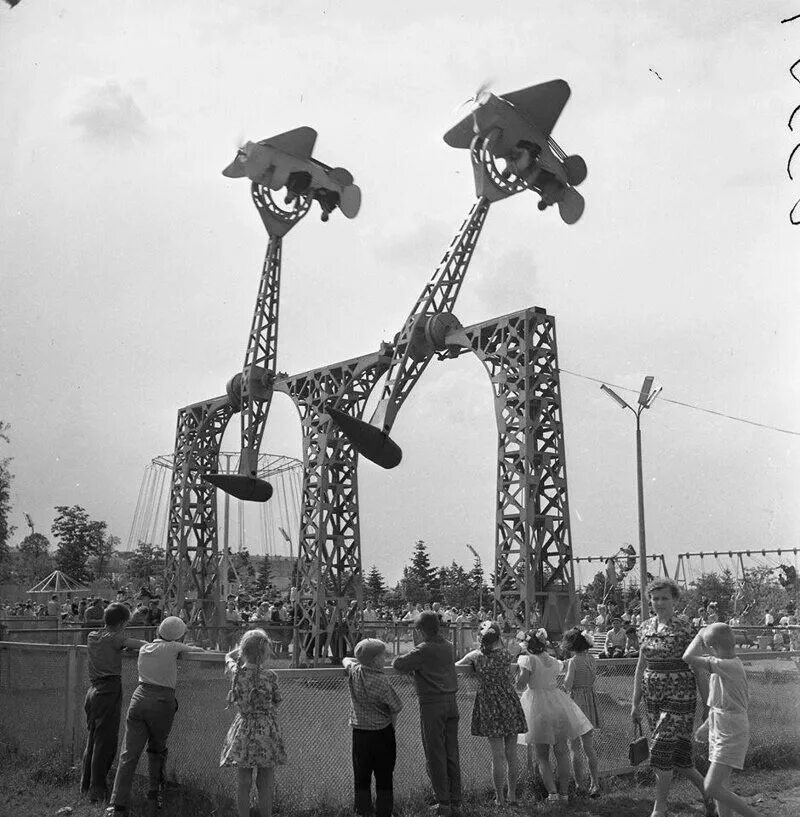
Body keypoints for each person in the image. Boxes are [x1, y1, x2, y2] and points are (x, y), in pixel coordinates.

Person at [105, 616, 206, 816]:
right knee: (157, 750)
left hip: (139, 697)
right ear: (178, 637)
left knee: (129, 754)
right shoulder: (173, 648)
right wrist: (187, 646)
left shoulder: (145, 648)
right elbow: (199, 652)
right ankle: (154, 798)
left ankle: (117, 804)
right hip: (161, 701)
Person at [632, 577, 714, 817]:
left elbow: (698, 668)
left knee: (659, 749)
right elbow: (640, 666)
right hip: (653, 696)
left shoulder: (686, 628)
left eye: (664, 598)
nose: (659, 603)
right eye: (655, 598)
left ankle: (660, 809)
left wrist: (707, 704)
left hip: (680, 694)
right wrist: (635, 702)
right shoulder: (644, 627)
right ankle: (712, 796)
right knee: (679, 759)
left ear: (675, 600)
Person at [683, 623, 760, 817]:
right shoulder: (721, 664)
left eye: (706, 646)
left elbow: (687, 657)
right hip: (720, 724)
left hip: (731, 729)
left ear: (711, 646)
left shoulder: (727, 665)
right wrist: (706, 726)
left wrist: (699, 636)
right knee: (722, 786)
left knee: (711, 787)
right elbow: (719, 703)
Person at [393, 611, 461, 817]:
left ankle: (443, 803)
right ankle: (456, 801)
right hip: (451, 703)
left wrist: (416, 667)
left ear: (421, 631)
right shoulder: (449, 646)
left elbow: (398, 664)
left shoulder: (422, 650)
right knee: (452, 753)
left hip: (432, 704)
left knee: (435, 754)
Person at [80, 603, 149, 803]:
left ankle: (86, 785)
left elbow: (112, 642)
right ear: (121, 623)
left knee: (92, 739)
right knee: (105, 741)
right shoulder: (116, 637)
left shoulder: (93, 636)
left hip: (93, 690)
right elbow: (142, 644)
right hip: (108, 690)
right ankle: (97, 790)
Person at [516, 628, 593, 803]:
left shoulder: (527, 659)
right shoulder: (553, 661)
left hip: (538, 707)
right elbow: (559, 668)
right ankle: (564, 793)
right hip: (558, 703)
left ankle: (552, 794)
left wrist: (518, 673)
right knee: (562, 751)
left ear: (528, 644)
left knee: (542, 754)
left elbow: (521, 685)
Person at [455, 621, 527, 806]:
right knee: (512, 753)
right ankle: (512, 795)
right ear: (498, 639)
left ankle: (499, 798)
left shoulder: (476, 656)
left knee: (497, 755)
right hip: (509, 701)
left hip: (489, 705)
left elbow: (457, 666)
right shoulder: (506, 654)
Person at [220, 629, 286, 817]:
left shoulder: (237, 674)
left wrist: (237, 653)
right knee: (265, 782)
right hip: (266, 730)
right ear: (264, 654)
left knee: (243, 782)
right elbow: (277, 701)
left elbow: (228, 658)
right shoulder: (271, 676)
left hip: (244, 730)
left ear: (243, 652)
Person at [342, 639, 403, 817]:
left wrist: (356, 661)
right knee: (384, 774)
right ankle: (384, 811)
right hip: (381, 733)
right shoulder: (382, 681)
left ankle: (363, 810)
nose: (385, 659)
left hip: (360, 732)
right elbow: (395, 707)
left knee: (362, 774)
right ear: (375, 660)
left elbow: (346, 660)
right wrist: (392, 728)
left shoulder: (355, 672)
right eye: (382, 656)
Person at [561, 628, 601, 797]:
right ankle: (595, 783)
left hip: (576, 702)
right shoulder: (591, 658)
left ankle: (580, 785)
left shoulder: (573, 661)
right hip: (590, 700)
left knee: (574, 747)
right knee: (589, 747)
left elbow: (568, 684)